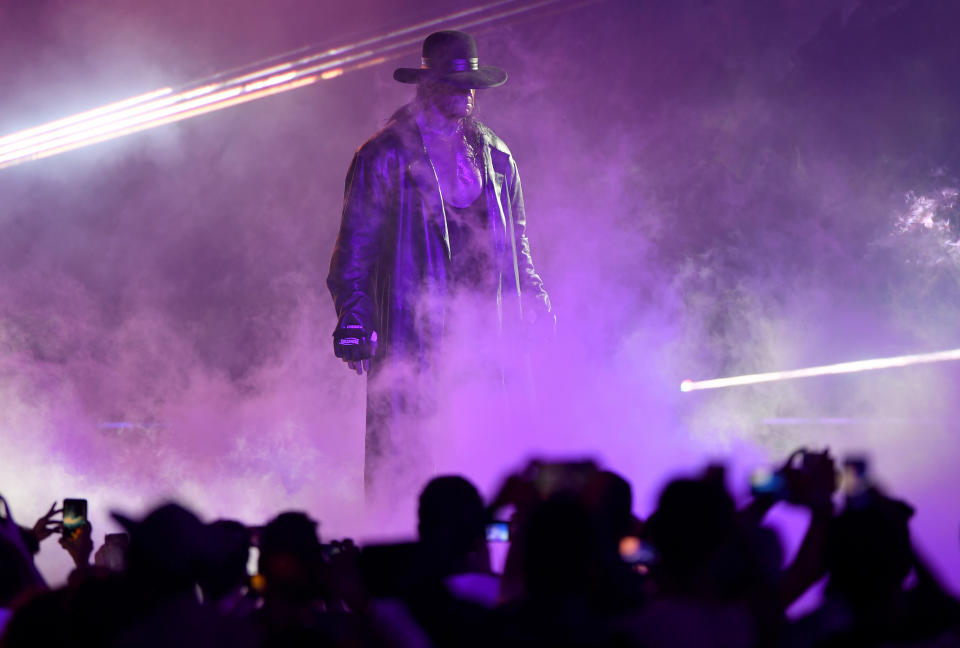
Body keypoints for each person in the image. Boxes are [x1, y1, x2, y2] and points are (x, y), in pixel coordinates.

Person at [327, 30, 553, 497]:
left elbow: (518, 243)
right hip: (417, 340)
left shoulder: (497, 157)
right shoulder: (383, 155)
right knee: (411, 465)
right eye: (455, 82)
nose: (466, 92)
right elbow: (355, 248)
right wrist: (354, 316)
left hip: (486, 339)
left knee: (489, 462)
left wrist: (532, 294)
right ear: (427, 85)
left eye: (471, 83)